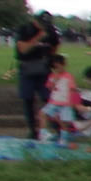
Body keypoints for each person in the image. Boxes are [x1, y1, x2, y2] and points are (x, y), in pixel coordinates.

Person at [13, 9, 56, 137]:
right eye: (42, 23)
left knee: (49, 98)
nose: (44, 26)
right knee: (28, 99)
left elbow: (54, 47)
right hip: (27, 68)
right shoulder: (25, 29)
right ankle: (33, 130)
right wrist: (39, 37)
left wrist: (50, 60)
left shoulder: (51, 31)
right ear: (35, 20)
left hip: (44, 68)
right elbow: (23, 50)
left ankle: (53, 128)